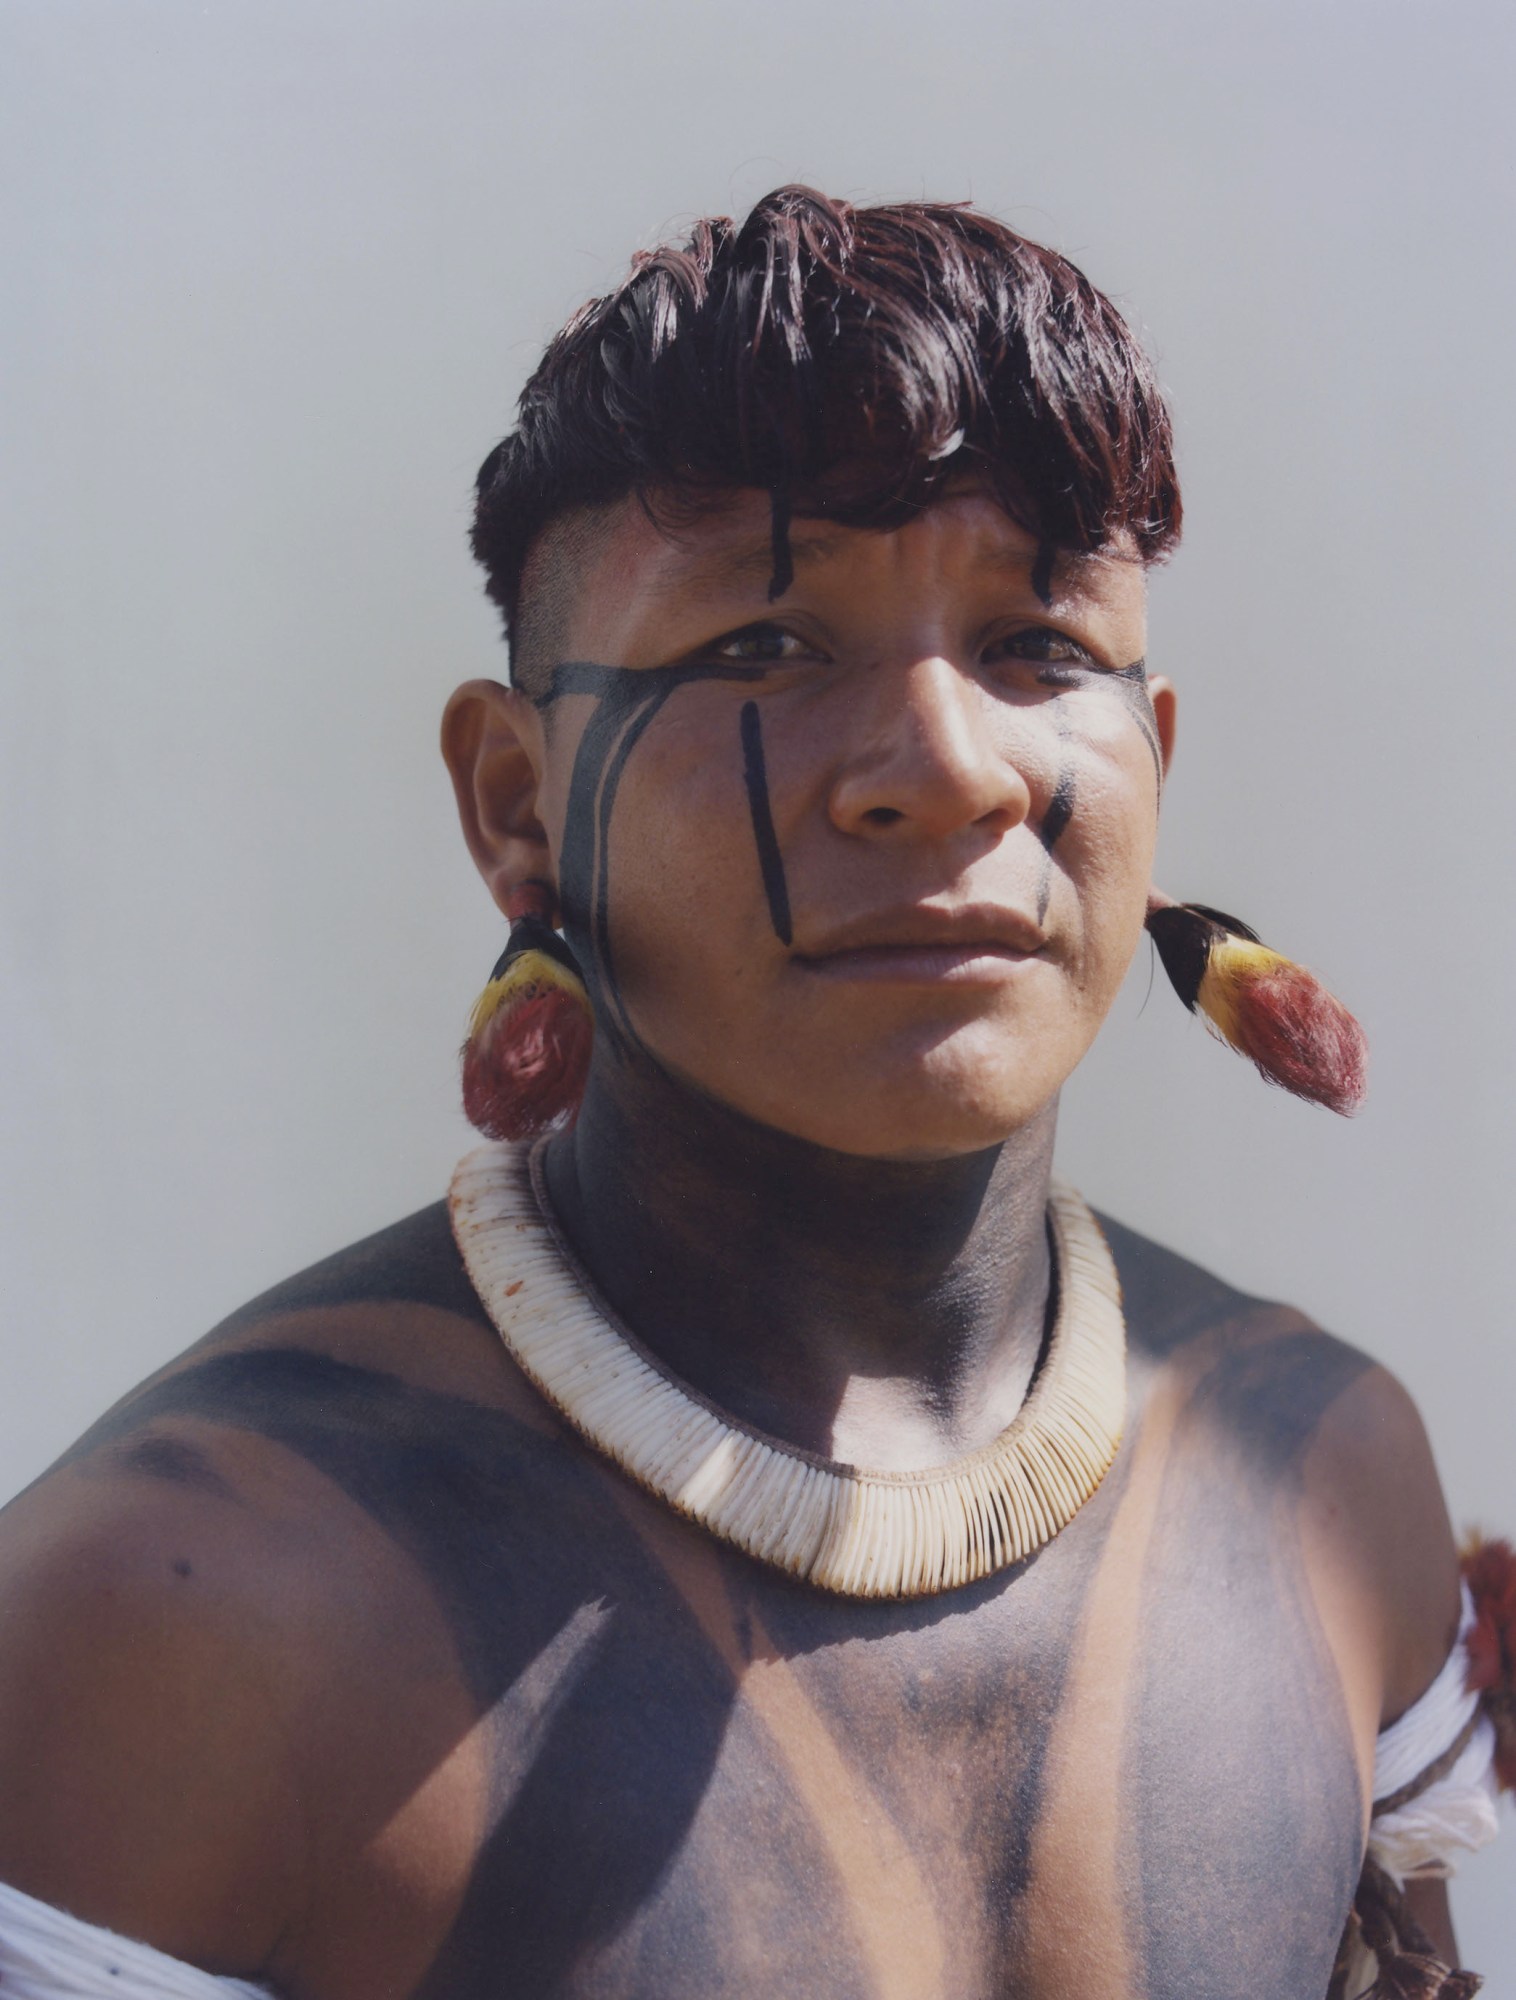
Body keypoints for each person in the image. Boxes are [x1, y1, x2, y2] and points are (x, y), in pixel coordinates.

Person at [0, 188, 1507, 2000]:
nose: (951, 774)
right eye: (764, 650)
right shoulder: (189, 1615)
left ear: (1154, 760)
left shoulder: (1334, 1484)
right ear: (511, 799)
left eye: (1038, 648)